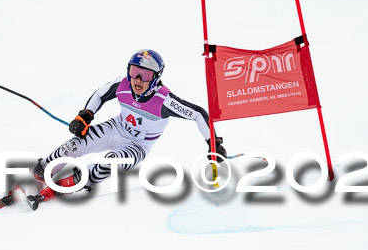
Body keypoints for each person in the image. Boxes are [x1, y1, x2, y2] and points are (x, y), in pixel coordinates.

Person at [26, 49, 227, 208]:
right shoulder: (122, 84)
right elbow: (99, 95)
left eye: (145, 75)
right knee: (72, 147)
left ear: (156, 77)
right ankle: (42, 170)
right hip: (115, 129)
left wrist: (213, 144)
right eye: (134, 72)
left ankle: (70, 184)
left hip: (138, 146)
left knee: (108, 164)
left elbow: (198, 114)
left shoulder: (163, 100)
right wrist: (85, 115)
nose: (137, 80)